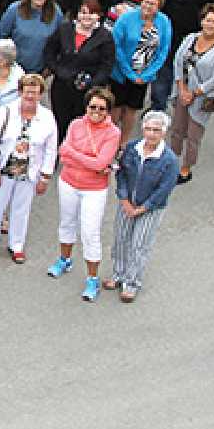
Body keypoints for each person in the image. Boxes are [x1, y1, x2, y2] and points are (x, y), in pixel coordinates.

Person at [44, 87, 123, 301]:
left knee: (90, 232)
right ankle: (64, 259)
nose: (96, 111)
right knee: (66, 223)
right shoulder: (75, 124)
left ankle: (92, 278)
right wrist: (88, 160)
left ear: (108, 111)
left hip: (94, 189)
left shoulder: (113, 133)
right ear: (86, 107)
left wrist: (75, 155)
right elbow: (63, 153)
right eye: (92, 107)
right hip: (68, 182)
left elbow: (100, 162)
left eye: (102, 108)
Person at [0, 75, 58, 264]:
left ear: (40, 95)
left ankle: (16, 245)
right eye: (27, 91)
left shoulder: (47, 117)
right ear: (20, 92)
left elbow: (50, 149)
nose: (30, 96)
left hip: (29, 172)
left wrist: (45, 177)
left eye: (35, 92)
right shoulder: (5, 112)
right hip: (5, 170)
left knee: (21, 210)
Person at [108, 110, 180, 302]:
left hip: (150, 208)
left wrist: (142, 208)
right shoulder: (132, 148)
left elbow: (164, 189)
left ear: (163, 132)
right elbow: (121, 174)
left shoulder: (170, 160)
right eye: (148, 129)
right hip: (127, 203)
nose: (151, 134)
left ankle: (131, 283)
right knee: (121, 239)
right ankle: (118, 274)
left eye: (156, 130)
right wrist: (124, 199)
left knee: (139, 245)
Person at [167, 4, 214, 184]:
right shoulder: (190, 38)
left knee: (193, 135)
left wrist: (194, 93)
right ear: (202, 21)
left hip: (201, 97)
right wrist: (181, 88)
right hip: (183, 91)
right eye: (208, 20)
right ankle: (172, 161)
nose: (210, 24)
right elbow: (177, 62)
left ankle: (186, 167)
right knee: (176, 130)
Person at [44, 0, 116, 128]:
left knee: (81, 126)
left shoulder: (105, 37)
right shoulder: (64, 29)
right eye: (83, 12)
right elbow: (49, 52)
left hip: (87, 91)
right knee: (60, 123)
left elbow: (106, 66)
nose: (86, 16)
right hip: (62, 86)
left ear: (98, 16)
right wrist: (57, 70)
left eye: (91, 13)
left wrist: (92, 83)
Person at [110, 0, 172, 140]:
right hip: (121, 72)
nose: (148, 6)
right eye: (146, 2)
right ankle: (110, 140)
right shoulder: (126, 19)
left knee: (131, 109)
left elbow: (163, 50)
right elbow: (116, 46)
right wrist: (130, 73)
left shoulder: (163, 21)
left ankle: (124, 142)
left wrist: (147, 74)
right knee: (116, 108)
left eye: (153, 4)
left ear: (159, 7)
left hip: (143, 75)